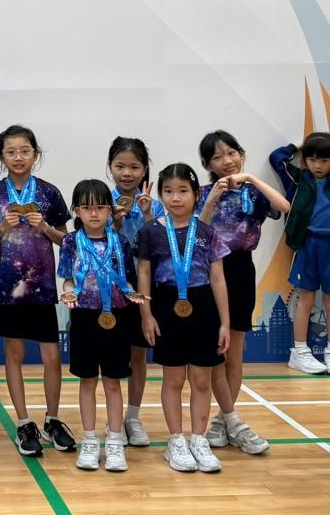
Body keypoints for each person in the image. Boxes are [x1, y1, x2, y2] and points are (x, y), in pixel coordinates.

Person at [0, 124, 75, 457]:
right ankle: (23, 423)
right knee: (14, 354)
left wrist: (46, 227)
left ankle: (52, 420)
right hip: (9, 289)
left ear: (35, 154)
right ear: (1, 156)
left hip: (43, 288)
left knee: (51, 357)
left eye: (24, 151)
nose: (18, 157)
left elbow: (67, 241)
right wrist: (1, 227)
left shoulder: (49, 193)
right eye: (11, 152)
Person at [196, 130, 289, 455]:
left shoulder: (254, 193)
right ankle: (228, 419)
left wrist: (251, 178)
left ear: (241, 154)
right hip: (208, 272)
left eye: (232, 153)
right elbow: (198, 230)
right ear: (207, 164)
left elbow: (284, 206)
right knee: (214, 352)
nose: (226, 161)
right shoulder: (203, 192)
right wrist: (212, 198)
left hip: (241, 271)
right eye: (217, 157)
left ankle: (224, 420)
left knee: (235, 352)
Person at [136, 163, 231, 475]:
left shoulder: (207, 232)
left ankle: (199, 439)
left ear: (196, 195)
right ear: (161, 195)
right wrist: (146, 314)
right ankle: (176, 440)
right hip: (165, 306)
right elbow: (144, 273)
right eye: (168, 191)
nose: (175, 198)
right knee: (174, 379)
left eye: (182, 191)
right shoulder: (150, 232)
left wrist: (224, 322)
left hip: (203, 307)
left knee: (202, 379)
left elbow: (218, 279)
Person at [60, 179, 146, 473]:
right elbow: (68, 278)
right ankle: (89, 440)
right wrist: (69, 292)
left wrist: (133, 294)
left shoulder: (120, 241)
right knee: (87, 381)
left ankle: (114, 440)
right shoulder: (70, 242)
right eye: (86, 208)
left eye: (100, 207)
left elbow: (127, 280)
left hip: (117, 317)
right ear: (76, 210)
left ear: (110, 209)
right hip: (83, 318)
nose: (94, 213)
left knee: (112, 382)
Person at [270, 131, 330, 376]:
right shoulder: (297, 179)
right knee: (306, 300)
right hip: (306, 246)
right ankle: (299, 352)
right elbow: (277, 157)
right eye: (312, 159)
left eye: (324, 160)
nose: (318, 165)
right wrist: (302, 144)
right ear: (305, 160)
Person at [106, 135, 162, 448]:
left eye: (134, 167)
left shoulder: (154, 205)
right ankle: (113, 418)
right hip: (111, 288)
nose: (127, 173)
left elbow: (163, 245)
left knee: (139, 354)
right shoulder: (102, 202)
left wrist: (149, 215)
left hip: (144, 286)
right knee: (114, 354)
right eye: (120, 166)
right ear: (110, 167)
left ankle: (133, 417)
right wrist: (113, 221)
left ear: (144, 171)